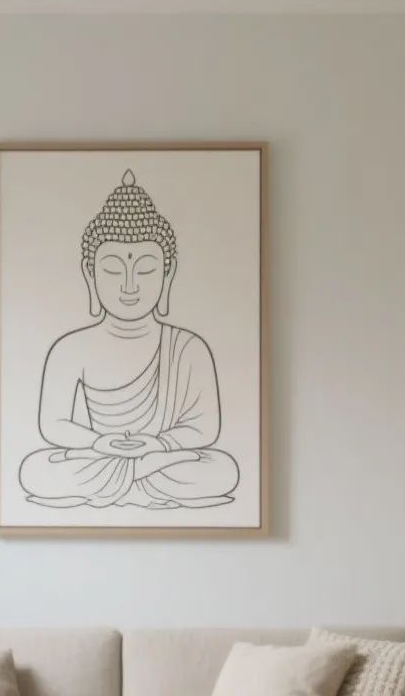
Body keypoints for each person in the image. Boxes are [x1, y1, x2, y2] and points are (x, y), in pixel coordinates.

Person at [18, 170, 239, 509]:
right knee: (33, 469)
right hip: (106, 457)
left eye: (146, 269)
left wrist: (158, 445)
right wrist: (100, 442)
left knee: (223, 468)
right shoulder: (68, 349)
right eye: (112, 269)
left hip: (159, 457)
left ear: (168, 272)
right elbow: (53, 425)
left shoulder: (189, 348)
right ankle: (136, 483)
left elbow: (205, 428)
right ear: (89, 273)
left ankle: (123, 485)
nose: (129, 286)